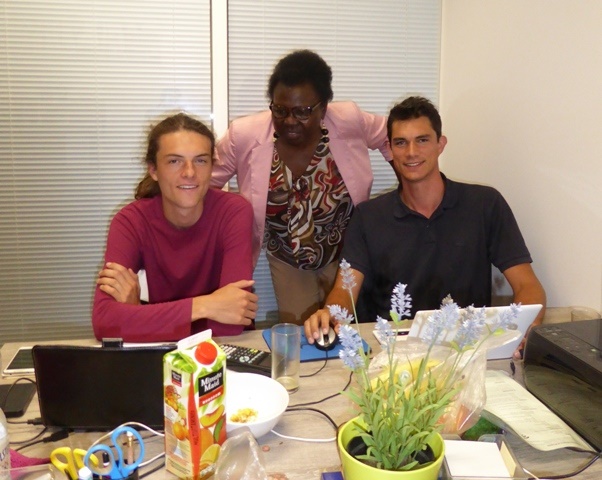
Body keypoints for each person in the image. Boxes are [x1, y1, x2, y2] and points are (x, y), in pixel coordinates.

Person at [304, 96, 546, 358]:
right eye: (400, 142)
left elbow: (527, 285)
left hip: (465, 353)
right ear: (390, 148)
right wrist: (329, 314)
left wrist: (522, 330)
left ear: (440, 144)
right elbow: (343, 291)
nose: (411, 152)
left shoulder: (485, 205)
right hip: (391, 356)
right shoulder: (368, 216)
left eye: (422, 140)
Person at [212, 49, 392, 325]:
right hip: (287, 259)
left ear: (324, 107)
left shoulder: (349, 119)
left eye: (303, 112)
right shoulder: (245, 134)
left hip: (345, 254)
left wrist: (409, 180)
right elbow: (206, 177)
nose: (290, 121)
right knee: (302, 337)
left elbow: (395, 136)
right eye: (280, 110)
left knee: (347, 331)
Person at [92, 113, 258, 342]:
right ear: (153, 170)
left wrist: (138, 316)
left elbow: (232, 322)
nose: (189, 172)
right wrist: (205, 306)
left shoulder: (234, 212)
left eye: (200, 160)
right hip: (168, 357)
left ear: (212, 166)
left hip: (227, 353)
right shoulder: (130, 222)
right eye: (174, 161)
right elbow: (104, 323)